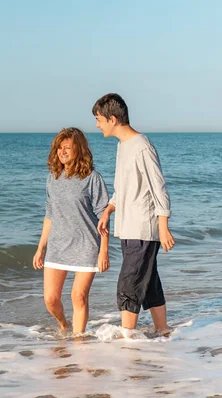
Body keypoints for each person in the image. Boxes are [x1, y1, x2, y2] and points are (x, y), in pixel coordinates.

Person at [92, 93, 175, 334]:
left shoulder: (142, 146)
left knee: (128, 284)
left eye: (99, 119)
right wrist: (108, 209)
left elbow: (158, 187)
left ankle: (126, 341)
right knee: (148, 284)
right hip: (128, 227)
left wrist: (163, 226)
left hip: (143, 228)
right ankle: (163, 331)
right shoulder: (123, 146)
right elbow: (122, 189)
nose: (97, 125)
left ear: (113, 119)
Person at [33, 127, 110, 334]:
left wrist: (104, 251)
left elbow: (104, 216)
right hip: (58, 245)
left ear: (79, 149)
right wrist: (41, 248)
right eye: (59, 147)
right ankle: (64, 326)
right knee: (50, 299)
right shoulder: (53, 177)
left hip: (86, 245)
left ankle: (78, 340)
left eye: (67, 147)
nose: (62, 151)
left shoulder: (92, 178)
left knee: (78, 296)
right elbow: (50, 214)